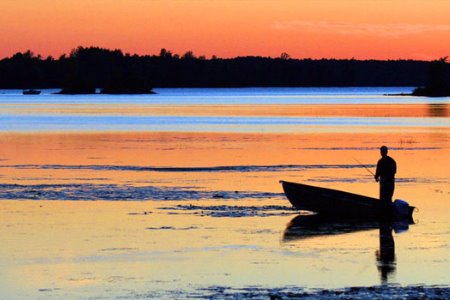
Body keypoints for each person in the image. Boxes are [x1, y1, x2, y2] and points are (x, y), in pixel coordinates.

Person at [375, 146, 397, 210]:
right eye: (382, 151)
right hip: (385, 183)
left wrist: (378, 176)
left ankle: (386, 211)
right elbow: (377, 172)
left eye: (383, 151)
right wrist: (376, 177)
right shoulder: (381, 161)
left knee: (387, 198)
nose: (382, 152)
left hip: (388, 183)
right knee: (384, 199)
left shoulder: (390, 161)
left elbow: (394, 171)